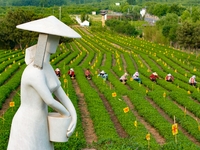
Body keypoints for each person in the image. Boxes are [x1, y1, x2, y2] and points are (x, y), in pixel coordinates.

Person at [7, 16, 80, 150]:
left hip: (42, 120)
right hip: (28, 122)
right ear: (44, 41)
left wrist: (74, 116)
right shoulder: (34, 72)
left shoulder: (47, 67)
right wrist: (67, 114)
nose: (56, 43)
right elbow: (50, 100)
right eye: (53, 39)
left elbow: (61, 93)